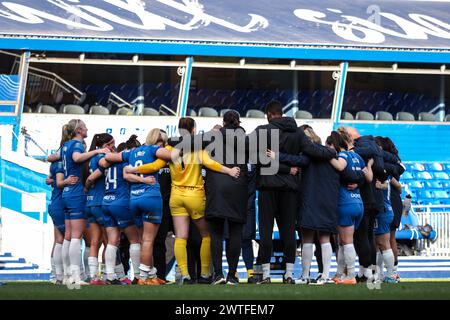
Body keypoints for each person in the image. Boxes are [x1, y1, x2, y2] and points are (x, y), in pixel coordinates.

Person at [126, 118, 240, 284]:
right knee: (206, 235)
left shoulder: (170, 148)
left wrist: (135, 169)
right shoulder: (197, 148)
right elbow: (210, 163)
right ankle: (204, 274)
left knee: (180, 237)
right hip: (195, 195)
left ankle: (184, 275)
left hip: (176, 196)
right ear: (194, 129)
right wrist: (229, 171)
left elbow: (154, 166)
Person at [252, 101, 336, 284]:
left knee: (265, 232)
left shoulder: (261, 131)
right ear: (281, 114)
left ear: (268, 114)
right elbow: (308, 156)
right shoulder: (297, 132)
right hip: (290, 188)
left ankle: (264, 274)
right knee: (289, 232)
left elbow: (256, 157)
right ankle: (289, 274)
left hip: (267, 187)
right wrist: (333, 152)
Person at [60, 119, 110, 285]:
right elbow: (77, 158)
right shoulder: (77, 145)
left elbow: (53, 157)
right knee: (76, 236)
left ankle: (66, 275)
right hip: (75, 193)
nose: (87, 128)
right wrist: (96, 152)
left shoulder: (65, 145)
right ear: (79, 130)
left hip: (67, 193)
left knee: (68, 237)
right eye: (85, 126)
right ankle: (75, 276)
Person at [204, 110, 249, 285]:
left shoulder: (213, 136)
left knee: (216, 233)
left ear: (223, 122)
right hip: (238, 186)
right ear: (238, 122)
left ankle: (218, 274)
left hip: (216, 187)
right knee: (236, 232)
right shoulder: (245, 139)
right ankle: (232, 275)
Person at [328, 131, 373, 284]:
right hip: (358, 202)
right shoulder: (357, 156)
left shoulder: (342, 156)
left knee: (346, 242)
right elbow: (369, 177)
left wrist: (327, 155)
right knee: (342, 241)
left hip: (345, 203)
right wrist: (366, 169)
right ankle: (339, 274)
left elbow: (340, 167)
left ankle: (351, 276)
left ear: (333, 145)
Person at [343, 126, 386, 282]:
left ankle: (365, 272)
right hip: (372, 199)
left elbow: (367, 176)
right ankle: (369, 272)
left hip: (365, 198)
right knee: (368, 236)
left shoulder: (361, 149)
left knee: (363, 236)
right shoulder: (371, 150)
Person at [98, 140, 142, 285]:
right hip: (121, 202)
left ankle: (109, 275)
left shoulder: (108, 162)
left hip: (106, 201)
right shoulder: (125, 163)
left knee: (112, 241)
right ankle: (137, 275)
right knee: (134, 239)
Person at [83, 133, 115, 284]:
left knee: (95, 241)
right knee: (109, 240)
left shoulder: (90, 158)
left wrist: (86, 190)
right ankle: (110, 275)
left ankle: (94, 277)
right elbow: (99, 169)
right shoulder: (100, 157)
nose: (114, 147)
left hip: (90, 203)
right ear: (106, 145)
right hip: (99, 202)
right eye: (112, 144)